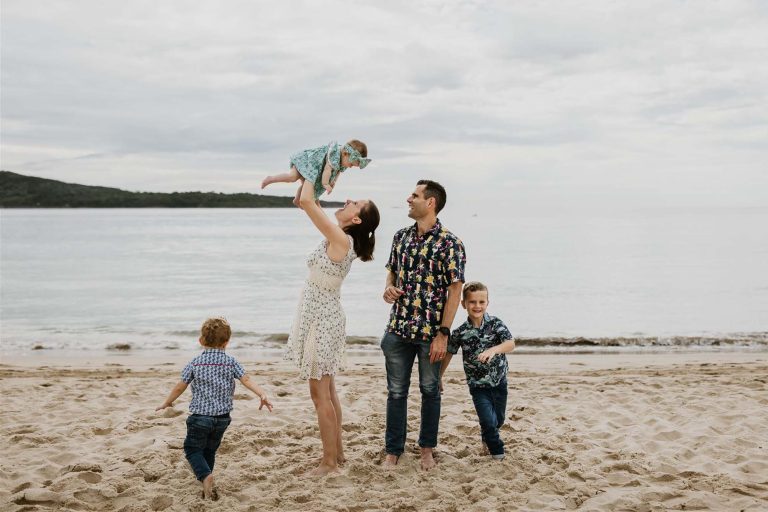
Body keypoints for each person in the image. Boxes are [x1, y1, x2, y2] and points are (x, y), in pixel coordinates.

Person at [284, 178, 380, 476]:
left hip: (322, 320)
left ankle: (328, 464)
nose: (348, 199)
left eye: (355, 202)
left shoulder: (341, 239)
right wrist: (305, 179)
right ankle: (337, 455)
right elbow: (302, 200)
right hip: (321, 316)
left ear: (356, 218)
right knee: (329, 391)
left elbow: (307, 202)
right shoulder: (338, 236)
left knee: (320, 395)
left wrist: (317, 173)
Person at [381, 180, 466, 470]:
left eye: (414, 196)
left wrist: (443, 334)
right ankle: (393, 450)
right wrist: (388, 289)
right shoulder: (400, 237)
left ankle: (427, 448)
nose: (408, 199)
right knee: (396, 392)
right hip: (398, 329)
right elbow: (391, 273)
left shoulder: (450, 243)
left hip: (431, 333)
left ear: (430, 202)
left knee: (430, 390)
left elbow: (455, 291)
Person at [156, 317, 273, 500]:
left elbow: (181, 385)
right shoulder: (231, 362)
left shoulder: (195, 363)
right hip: (222, 418)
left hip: (199, 418)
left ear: (201, 341)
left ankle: (205, 476)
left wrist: (167, 402)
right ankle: (207, 479)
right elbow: (246, 379)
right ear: (227, 342)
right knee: (209, 450)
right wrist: (262, 394)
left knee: (192, 449)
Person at [440, 282, 516, 460]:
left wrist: (493, 350)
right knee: (487, 421)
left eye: (482, 302)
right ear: (463, 304)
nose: (477, 306)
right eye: (472, 302)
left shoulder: (496, 324)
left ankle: (487, 437)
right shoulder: (460, 332)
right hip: (477, 385)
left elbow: (510, 344)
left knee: (498, 420)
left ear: (487, 303)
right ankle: (498, 453)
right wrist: (439, 376)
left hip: (499, 381)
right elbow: (449, 354)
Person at [261, 140, 371, 206]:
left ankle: (297, 199)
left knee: (307, 187)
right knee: (293, 177)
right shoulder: (334, 154)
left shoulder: (344, 160)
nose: (351, 167)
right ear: (346, 154)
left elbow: (338, 172)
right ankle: (271, 179)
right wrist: (326, 184)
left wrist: (334, 182)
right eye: (352, 164)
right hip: (307, 162)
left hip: (315, 170)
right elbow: (328, 169)